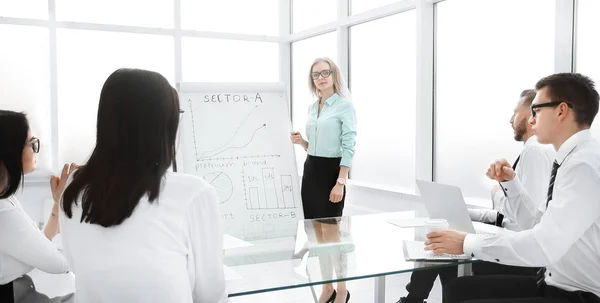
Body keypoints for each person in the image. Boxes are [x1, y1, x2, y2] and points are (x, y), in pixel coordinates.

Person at [426, 73, 600, 303]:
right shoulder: (571, 159)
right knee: (458, 289)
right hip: (550, 282)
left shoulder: (584, 166)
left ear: (561, 111)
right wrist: (511, 184)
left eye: (536, 110)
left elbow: (543, 244)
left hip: (578, 296)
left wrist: (465, 242)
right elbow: (539, 225)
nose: (530, 120)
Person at [59, 68, 228, 302]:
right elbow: (211, 293)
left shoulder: (75, 189)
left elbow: (77, 265)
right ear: (163, 126)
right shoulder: (193, 194)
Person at [397, 90, 555, 303]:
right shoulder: (533, 151)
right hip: (514, 242)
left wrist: (498, 193)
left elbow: (526, 220)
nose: (510, 119)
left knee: (444, 249)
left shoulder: (535, 151)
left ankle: (413, 299)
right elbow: (511, 214)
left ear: (530, 115)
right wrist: (468, 213)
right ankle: (413, 299)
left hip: (519, 256)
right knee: (445, 245)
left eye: (515, 113)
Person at [290, 57, 356, 303]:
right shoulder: (312, 107)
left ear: (334, 75)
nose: (321, 77)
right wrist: (302, 143)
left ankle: (341, 291)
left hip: (331, 174)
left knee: (332, 237)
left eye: (325, 72)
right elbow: (316, 148)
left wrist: (340, 181)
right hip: (311, 171)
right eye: (316, 74)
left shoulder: (345, 107)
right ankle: (326, 288)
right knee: (317, 237)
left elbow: (348, 145)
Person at [0, 110, 74, 302]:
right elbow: (59, 264)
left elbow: (41, 242)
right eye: (31, 144)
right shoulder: (4, 212)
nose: (35, 150)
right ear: (11, 149)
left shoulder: (6, 199)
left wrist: (58, 203)